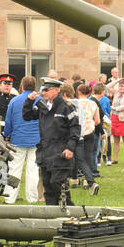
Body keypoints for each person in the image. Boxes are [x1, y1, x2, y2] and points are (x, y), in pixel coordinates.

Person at [22, 76, 81, 206]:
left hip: (60, 152)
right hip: (46, 152)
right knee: (48, 187)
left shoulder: (67, 107)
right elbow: (27, 116)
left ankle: (71, 212)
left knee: (58, 183)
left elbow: (75, 129)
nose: (43, 93)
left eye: (46, 90)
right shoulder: (42, 106)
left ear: (55, 90)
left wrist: (70, 148)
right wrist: (29, 101)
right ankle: (52, 216)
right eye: (42, 90)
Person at [2, 75, 42, 203]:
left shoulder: (14, 101)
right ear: (34, 87)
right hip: (36, 139)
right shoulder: (40, 100)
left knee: (14, 169)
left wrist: (6, 135)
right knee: (33, 170)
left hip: (17, 139)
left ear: (22, 86)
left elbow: (8, 121)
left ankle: (9, 197)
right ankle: (32, 198)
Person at [73, 82, 100, 195]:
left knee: (75, 155)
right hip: (90, 131)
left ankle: (74, 178)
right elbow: (98, 120)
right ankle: (85, 180)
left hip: (77, 131)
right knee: (88, 156)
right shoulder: (93, 104)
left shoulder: (74, 103)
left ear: (78, 92)